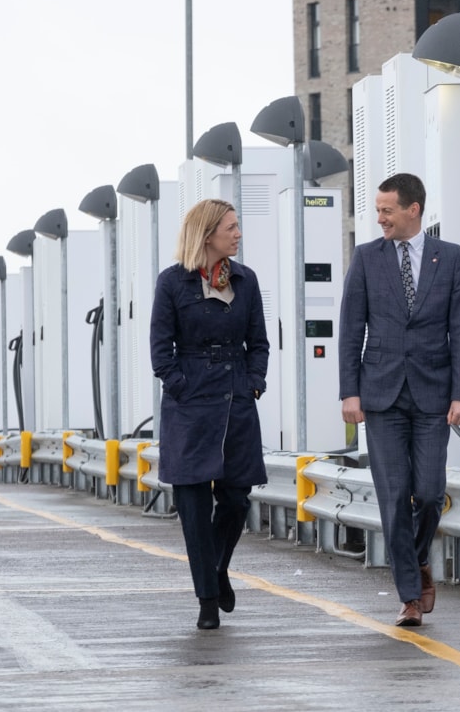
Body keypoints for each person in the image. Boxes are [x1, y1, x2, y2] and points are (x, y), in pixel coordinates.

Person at [339, 172, 460, 627]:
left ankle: (417, 560)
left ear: (412, 209)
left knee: (431, 493)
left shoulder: (450, 258)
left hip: (434, 394)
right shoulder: (366, 258)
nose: (380, 219)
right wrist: (349, 392)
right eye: (378, 210)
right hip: (380, 394)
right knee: (395, 496)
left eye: (386, 210)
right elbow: (350, 328)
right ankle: (410, 595)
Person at [150, 198, 269, 630]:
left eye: (238, 226)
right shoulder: (172, 283)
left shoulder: (246, 280)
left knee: (236, 497)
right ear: (207, 234)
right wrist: (181, 386)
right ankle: (206, 599)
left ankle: (217, 570)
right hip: (189, 405)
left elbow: (258, 342)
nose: (238, 234)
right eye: (231, 228)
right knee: (194, 505)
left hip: (236, 398)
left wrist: (254, 381)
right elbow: (161, 353)